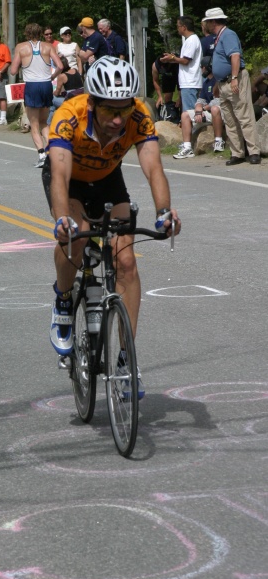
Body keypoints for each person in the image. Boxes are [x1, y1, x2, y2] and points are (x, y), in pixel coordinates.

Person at [43, 56, 180, 397]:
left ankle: (126, 360)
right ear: (92, 103)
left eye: (124, 109)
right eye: (109, 110)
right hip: (70, 182)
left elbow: (153, 167)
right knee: (74, 237)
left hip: (107, 179)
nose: (119, 119)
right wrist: (62, 220)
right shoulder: (68, 116)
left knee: (126, 261)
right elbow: (59, 174)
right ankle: (63, 298)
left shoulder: (139, 116)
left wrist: (164, 212)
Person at [201, 7, 261, 165]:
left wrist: (234, 78)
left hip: (234, 80)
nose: (205, 25)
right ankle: (237, 152)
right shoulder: (219, 37)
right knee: (229, 119)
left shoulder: (228, 35)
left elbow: (235, 56)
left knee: (244, 116)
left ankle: (253, 151)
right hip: (223, 82)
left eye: (207, 22)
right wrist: (217, 83)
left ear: (213, 22)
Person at [10, 22, 63, 167]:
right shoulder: (48, 46)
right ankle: (52, 152)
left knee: (34, 124)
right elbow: (60, 66)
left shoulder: (21, 47)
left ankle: (41, 156)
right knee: (44, 122)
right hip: (46, 84)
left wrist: (22, 64)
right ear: (40, 33)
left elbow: (13, 71)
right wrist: (52, 77)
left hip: (32, 85)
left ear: (26, 33)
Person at [173, 57, 225, 158]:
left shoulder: (219, 80)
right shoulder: (206, 83)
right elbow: (200, 100)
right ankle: (187, 148)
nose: (201, 69)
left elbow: (218, 101)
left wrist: (204, 108)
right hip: (208, 113)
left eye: (202, 67)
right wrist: (198, 111)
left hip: (220, 112)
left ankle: (219, 141)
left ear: (208, 68)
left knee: (214, 108)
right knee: (185, 115)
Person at [161, 16, 202, 113]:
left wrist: (172, 58)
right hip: (189, 83)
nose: (177, 29)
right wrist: (170, 60)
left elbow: (185, 61)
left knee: (189, 113)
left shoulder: (191, 40)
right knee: (188, 113)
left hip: (190, 83)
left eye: (178, 26)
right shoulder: (190, 40)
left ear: (184, 27)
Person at [47, 55, 84, 125]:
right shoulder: (75, 70)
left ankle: (48, 124)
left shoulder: (62, 76)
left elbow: (57, 93)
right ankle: (49, 123)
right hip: (80, 99)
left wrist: (51, 93)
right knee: (53, 105)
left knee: (51, 99)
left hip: (71, 103)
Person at [151, 55, 181, 123]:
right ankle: (170, 115)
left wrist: (180, 97)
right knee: (167, 98)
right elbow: (155, 80)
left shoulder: (177, 63)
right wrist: (159, 96)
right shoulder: (155, 65)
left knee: (181, 101)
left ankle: (181, 117)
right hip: (167, 76)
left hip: (179, 74)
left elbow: (182, 84)